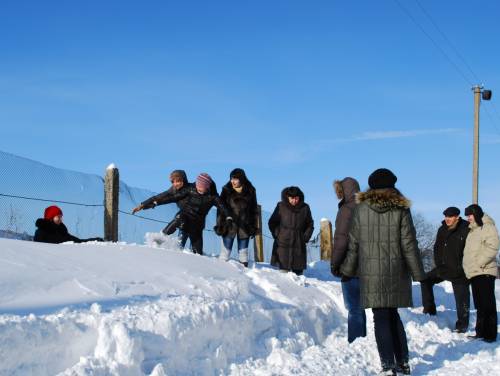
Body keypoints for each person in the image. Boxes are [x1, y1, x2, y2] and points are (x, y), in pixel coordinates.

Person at [340, 168, 425, 375]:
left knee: (381, 317)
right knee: (393, 315)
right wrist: (418, 273)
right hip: (396, 271)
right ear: (393, 186)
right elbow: (409, 243)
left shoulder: (361, 209)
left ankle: (388, 365)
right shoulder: (401, 209)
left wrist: (348, 270)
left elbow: (354, 244)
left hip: (371, 272)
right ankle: (403, 363)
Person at [134, 173, 232, 255]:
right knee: (179, 218)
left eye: (201, 188)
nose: (199, 189)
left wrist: (228, 217)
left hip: (197, 224)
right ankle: (162, 236)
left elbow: (223, 206)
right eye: (198, 186)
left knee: (197, 253)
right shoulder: (190, 189)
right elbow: (172, 197)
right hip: (185, 217)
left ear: (207, 187)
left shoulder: (213, 197)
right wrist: (155, 203)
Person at [420, 206, 470, 333]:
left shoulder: (466, 229)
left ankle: (462, 325)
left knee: (462, 298)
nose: (447, 219)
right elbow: (437, 248)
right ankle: (429, 311)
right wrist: (439, 263)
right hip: (444, 268)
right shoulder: (442, 229)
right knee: (425, 279)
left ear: (457, 217)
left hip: (460, 270)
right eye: (446, 216)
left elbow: (470, 250)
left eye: (450, 217)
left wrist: (463, 267)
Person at [330, 177, 367, 343]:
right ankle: (363, 340)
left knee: (353, 307)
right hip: (368, 264)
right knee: (361, 306)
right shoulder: (367, 207)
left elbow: (341, 239)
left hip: (350, 265)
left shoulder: (346, 210)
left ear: (343, 191)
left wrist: (335, 264)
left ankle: (356, 340)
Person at [462, 204, 499, 343]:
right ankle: (480, 332)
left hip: (484, 271)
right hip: (475, 273)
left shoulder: (487, 227)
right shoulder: (473, 230)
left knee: (488, 304)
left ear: (476, 214)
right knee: (480, 305)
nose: (468, 218)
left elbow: (493, 246)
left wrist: (479, 262)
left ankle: (490, 335)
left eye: (470, 215)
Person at [132, 170, 192, 247]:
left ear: (184, 180)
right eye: (173, 182)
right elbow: (159, 197)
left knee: (195, 250)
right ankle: (164, 237)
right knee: (180, 246)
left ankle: (163, 236)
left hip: (195, 221)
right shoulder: (174, 190)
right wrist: (142, 205)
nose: (175, 184)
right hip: (183, 221)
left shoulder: (192, 188)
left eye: (178, 181)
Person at [216, 168, 258, 267]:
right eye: (231, 178)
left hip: (245, 224)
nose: (232, 181)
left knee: (243, 256)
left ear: (241, 179)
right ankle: (221, 273)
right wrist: (220, 224)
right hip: (229, 224)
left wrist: (253, 225)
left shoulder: (251, 190)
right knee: (224, 254)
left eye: (235, 179)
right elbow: (220, 208)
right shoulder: (226, 190)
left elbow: (254, 209)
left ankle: (245, 276)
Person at [268, 186, 314, 275]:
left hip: (298, 245)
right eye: (292, 198)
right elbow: (272, 222)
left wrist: (305, 237)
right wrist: (278, 234)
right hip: (283, 245)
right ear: (287, 197)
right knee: (283, 277)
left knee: (299, 277)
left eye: (296, 198)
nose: (294, 200)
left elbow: (310, 224)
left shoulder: (305, 208)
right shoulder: (281, 206)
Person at [34, 205, 103, 244]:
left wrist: (94, 240)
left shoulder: (61, 231)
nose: (61, 219)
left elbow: (77, 241)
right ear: (51, 218)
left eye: (61, 217)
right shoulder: (41, 232)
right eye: (58, 217)